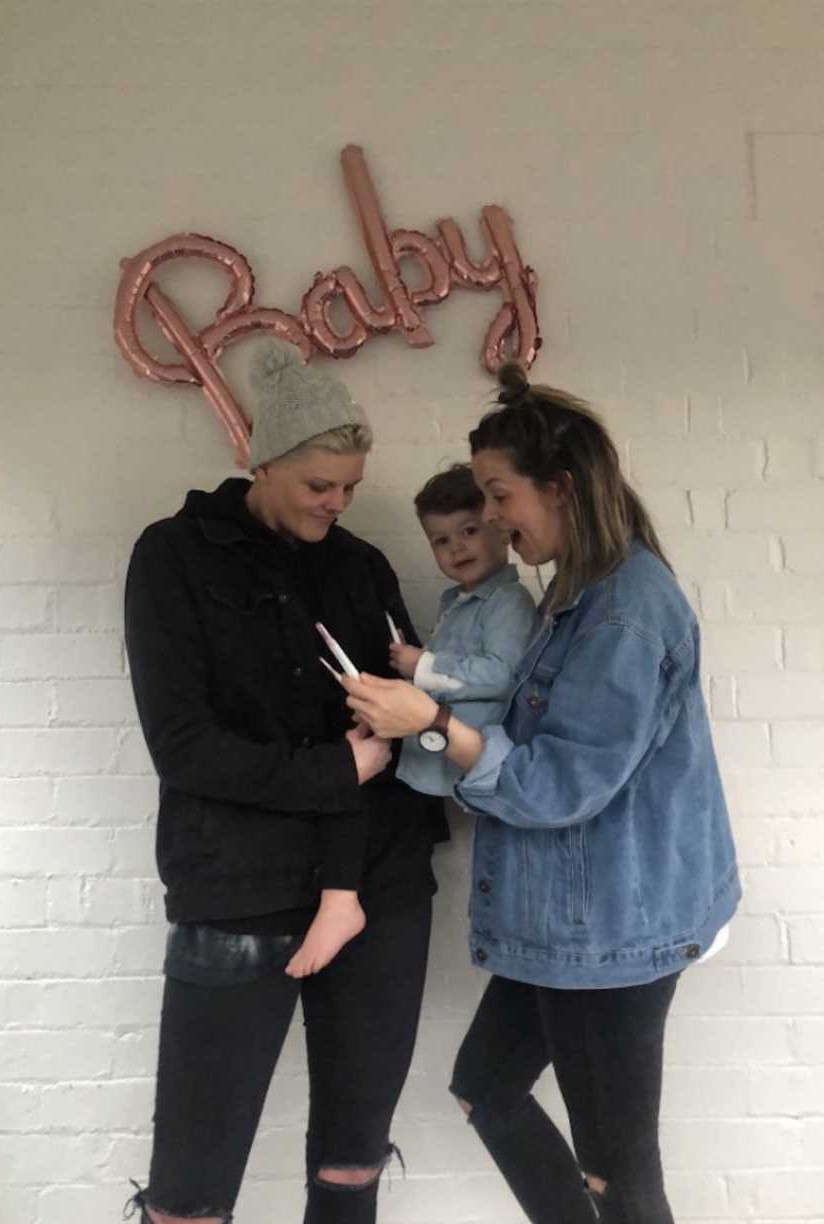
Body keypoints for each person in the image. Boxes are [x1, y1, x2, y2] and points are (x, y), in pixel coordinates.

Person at [342, 364, 741, 1224]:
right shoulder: (581, 593)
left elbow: (560, 783)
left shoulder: (628, 611)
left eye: (498, 494)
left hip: (610, 933)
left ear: (559, 488)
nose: (488, 520)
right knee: (487, 1088)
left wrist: (434, 725)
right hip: (568, 922)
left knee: (619, 1177)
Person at [123, 342, 445, 1224]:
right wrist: (331, 766)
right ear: (261, 461)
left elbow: (409, 722)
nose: (337, 504)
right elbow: (183, 746)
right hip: (236, 882)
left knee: (351, 1164)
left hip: (377, 880)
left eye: (348, 487)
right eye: (318, 487)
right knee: (190, 1187)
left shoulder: (361, 565)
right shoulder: (172, 558)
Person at [390, 463, 537, 798]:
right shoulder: (453, 600)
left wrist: (423, 666)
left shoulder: (509, 601)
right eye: (441, 540)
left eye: (468, 531)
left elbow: (502, 675)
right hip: (437, 759)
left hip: (471, 767)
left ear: (501, 530)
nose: (455, 547)